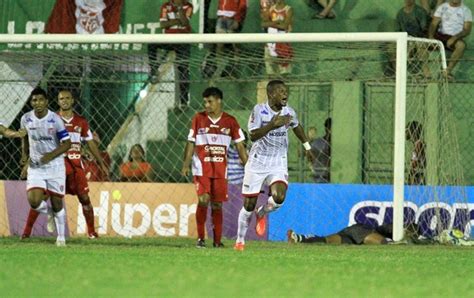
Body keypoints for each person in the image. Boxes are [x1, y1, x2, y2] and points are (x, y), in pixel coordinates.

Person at [234, 80, 314, 251]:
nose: (285, 94)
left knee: (279, 197)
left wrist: (307, 146)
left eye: (286, 90)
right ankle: (240, 241)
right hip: (257, 162)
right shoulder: (259, 110)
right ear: (271, 94)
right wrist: (272, 124)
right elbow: (253, 135)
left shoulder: (289, 111)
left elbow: (297, 126)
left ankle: (262, 212)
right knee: (248, 205)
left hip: (277, 161)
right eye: (280, 91)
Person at [21, 90, 109, 239]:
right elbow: (38, 144)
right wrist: (28, 163)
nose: (64, 101)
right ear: (57, 101)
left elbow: (90, 143)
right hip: (55, 165)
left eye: (67, 98)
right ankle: (26, 233)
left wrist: (100, 162)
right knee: (42, 197)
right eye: (61, 98)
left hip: (75, 166)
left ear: (73, 101)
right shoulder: (51, 119)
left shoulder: (81, 121)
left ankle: (92, 232)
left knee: (84, 198)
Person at [182, 87, 248, 248]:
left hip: (220, 170)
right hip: (201, 168)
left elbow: (240, 145)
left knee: (217, 204)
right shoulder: (198, 118)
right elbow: (191, 142)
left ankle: (217, 241)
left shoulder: (230, 121)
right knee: (204, 200)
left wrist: (248, 166)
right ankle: (200, 239)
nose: (206, 105)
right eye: (205, 102)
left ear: (219, 101)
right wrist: (185, 164)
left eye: (210, 101)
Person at [19, 87, 71, 246]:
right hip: (36, 166)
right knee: (34, 201)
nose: (38, 103)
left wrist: (50, 155)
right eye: (34, 100)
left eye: (41, 99)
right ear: (31, 102)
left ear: (47, 101)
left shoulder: (55, 119)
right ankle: (50, 214)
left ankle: (61, 238)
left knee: (57, 203)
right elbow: (25, 138)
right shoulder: (26, 119)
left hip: (55, 166)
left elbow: (67, 144)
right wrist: (24, 156)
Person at [148, 0, 193, 109]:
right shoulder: (165, 5)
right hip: (169, 39)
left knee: (183, 68)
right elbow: (163, 24)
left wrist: (179, 9)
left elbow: (185, 22)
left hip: (183, 40)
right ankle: (154, 71)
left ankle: (183, 101)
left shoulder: (188, 6)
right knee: (151, 44)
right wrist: (178, 21)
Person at [428, 0, 472, 79]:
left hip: (455, 37)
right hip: (441, 35)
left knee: (461, 45)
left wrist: (454, 38)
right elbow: (433, 24)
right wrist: (431, 37)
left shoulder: (466, 10)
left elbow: (467, 30)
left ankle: (447, 71)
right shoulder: (442, 7)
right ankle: (427, 75)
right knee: (421, 45)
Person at [287, 223, 420, 245]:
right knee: (386, 244)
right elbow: (380, 230)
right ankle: (392, 245)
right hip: (361, 231)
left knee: (327, 241)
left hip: (353, 237)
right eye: (410, 230)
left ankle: (300, 239)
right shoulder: (395, 227)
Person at [214, 0, 247, 78]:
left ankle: (236, 71)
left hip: (231, 19)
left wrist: (237, 19)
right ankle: (220, 70)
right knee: (219, 46)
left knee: (235, 48)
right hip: (221, 18)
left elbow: (243, 5)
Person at [262, 0, 294, 76]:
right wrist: (277, 22)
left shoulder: (288, 9)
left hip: (283, 45)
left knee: (285, 74)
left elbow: (284, 26)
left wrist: (271, 24)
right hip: (270, 44)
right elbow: (263, 24)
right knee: (270, 73)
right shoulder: (270, 9)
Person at [310, 118, 331, 183]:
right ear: (326, 128)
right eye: (330, 128)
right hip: (321, 177)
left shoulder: (317, 143)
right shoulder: (317, 143)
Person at [406, 121, 426, 185]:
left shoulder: (418, 144)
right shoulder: (416, 144)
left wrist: (413, 164)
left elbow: (416, 163)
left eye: (407, 130)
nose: (406, 132)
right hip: (416, 176)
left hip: (417, 177)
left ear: (413, 132)